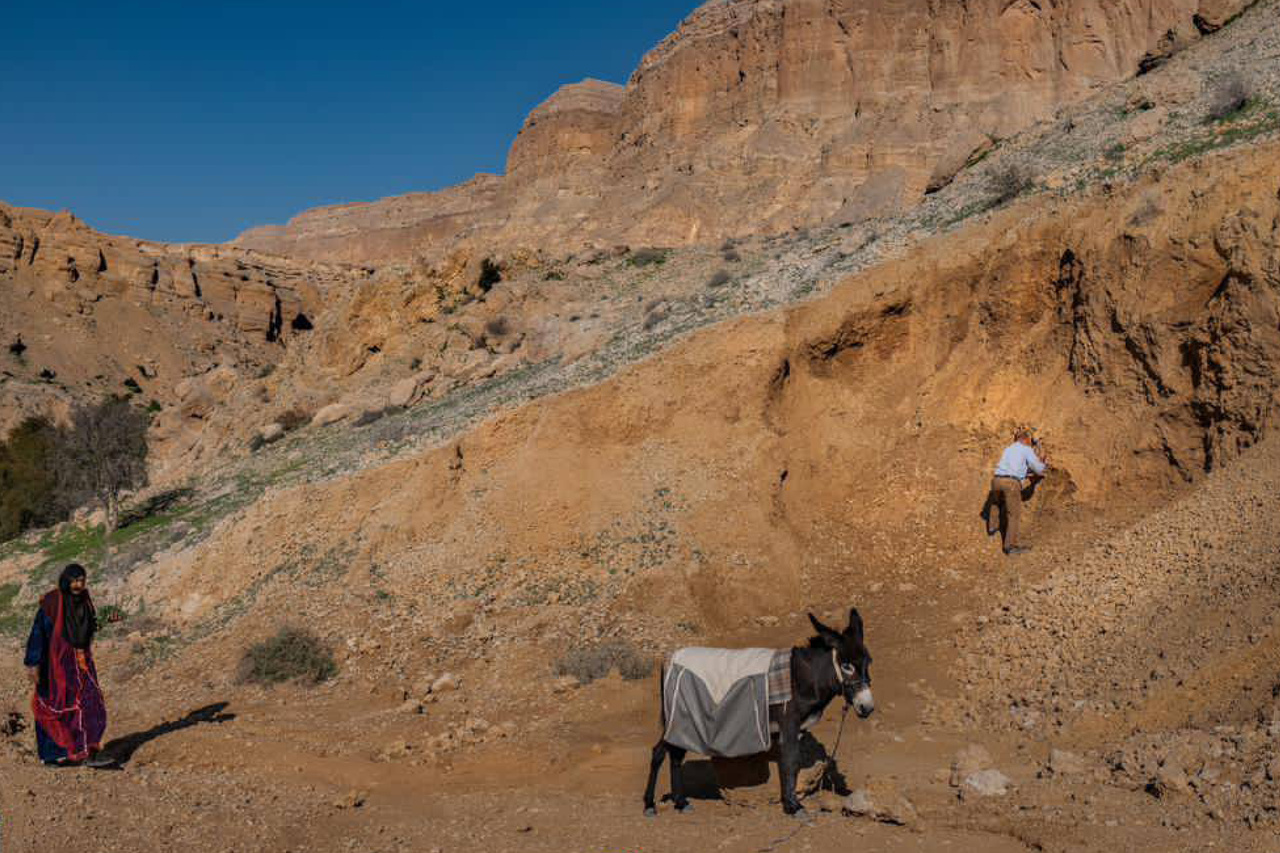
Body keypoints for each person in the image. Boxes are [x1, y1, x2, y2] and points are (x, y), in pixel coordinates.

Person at [24, 564, 119, 767]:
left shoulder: (84, 600)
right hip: (55, 666)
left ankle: (89, 751)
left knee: (89, 704)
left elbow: (88, 627)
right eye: (75, 580)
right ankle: (50, 755)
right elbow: (38, 634)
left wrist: (107, 619)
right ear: (66, 580)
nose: (78, 585)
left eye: (82, 580)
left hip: (81, 663)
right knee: (53, 708)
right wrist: (33, 663)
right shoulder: (52, 603)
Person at [984, 427, 1048, 556]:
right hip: (1011, 483)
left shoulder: (1009, 448)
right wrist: (1043, 465)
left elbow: (1015, 466)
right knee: (1013, 514)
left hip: (996, 480)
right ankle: (1010, 546)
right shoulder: (1026, 449)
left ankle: (992, 527)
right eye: (1030, 441)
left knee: (996, 501)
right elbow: (1038, 468)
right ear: (1026, 440)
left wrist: (1026, 471)